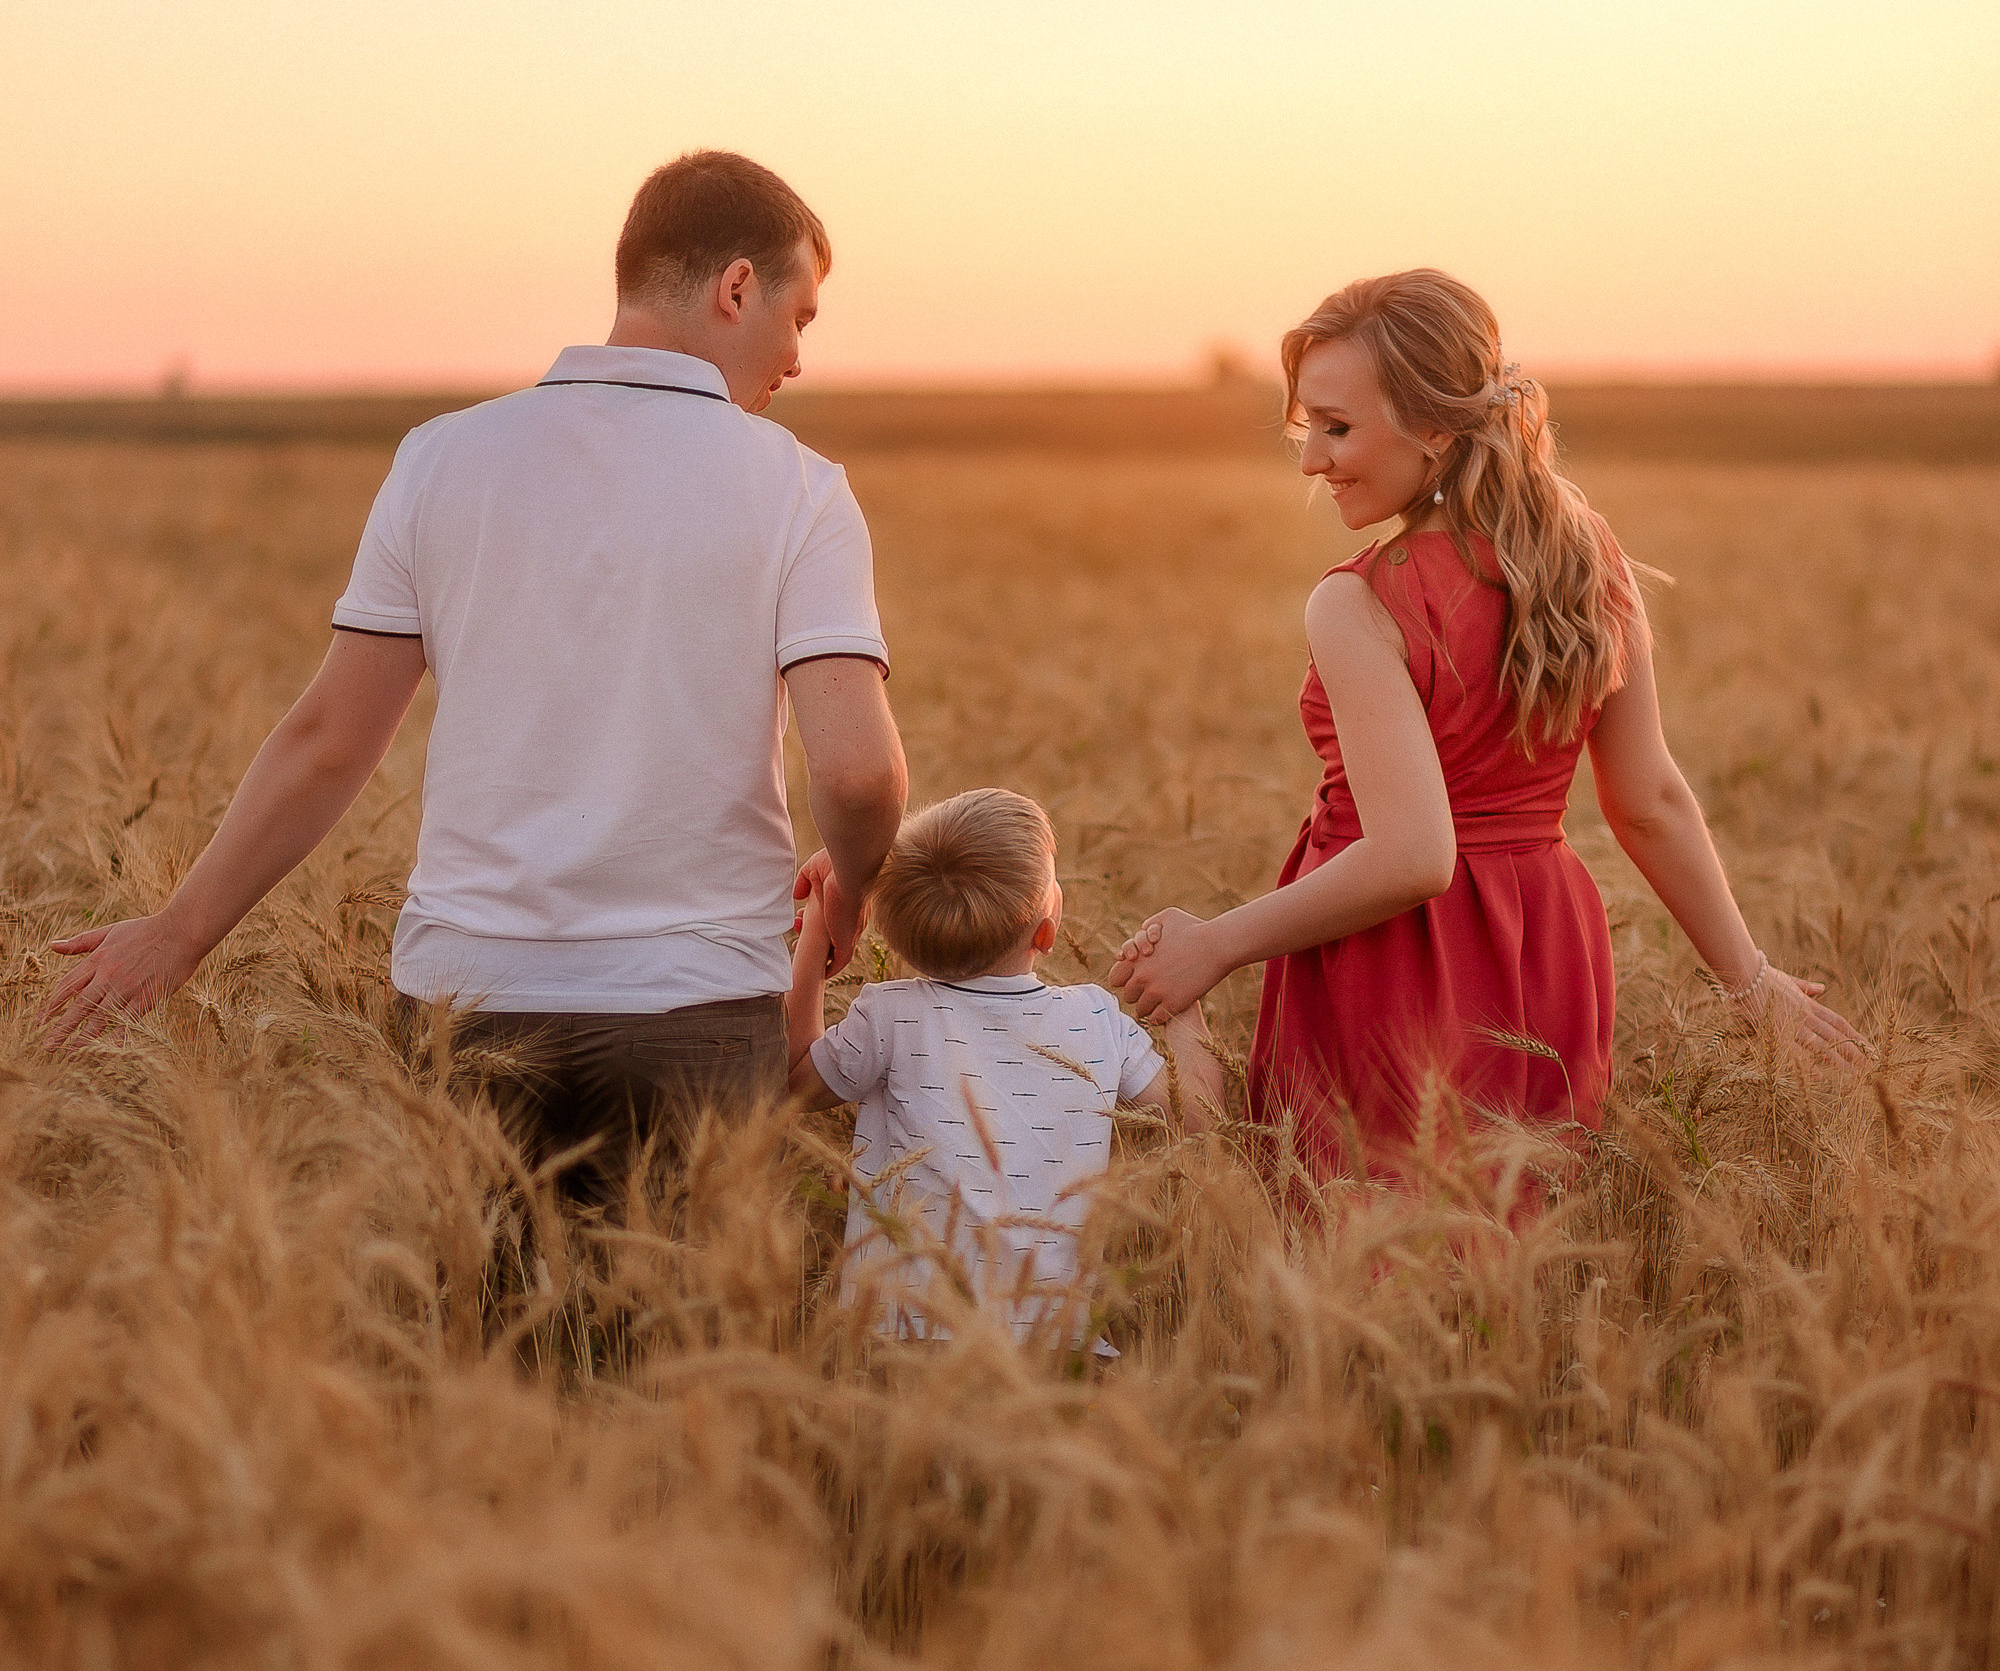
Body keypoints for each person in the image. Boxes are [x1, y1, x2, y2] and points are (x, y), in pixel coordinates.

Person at [41, 149, 909, 1199]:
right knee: (674, 1309)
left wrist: (176, 936)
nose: (798, 359)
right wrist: (851, 888)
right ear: (736, 287)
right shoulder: (801, 490)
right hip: (696, 1009)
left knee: (472, 1300)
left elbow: (329, 741)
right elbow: (858, 773)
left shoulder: (440, 458)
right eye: (799, 316)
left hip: (468, 1006)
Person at [1113, 267, 1861, 1176]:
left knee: (1366, 1235)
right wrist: (1751, 978)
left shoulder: (1357, 604)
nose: (1311, 461)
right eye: (1307, 429)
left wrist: (1214, 946)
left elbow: (1413, 856)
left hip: (1392, 960)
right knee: (1518, 1234)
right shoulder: (1585, 557)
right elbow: (1649, 799)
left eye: (1337, 428)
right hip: (1543, 952)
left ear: (1435, 426)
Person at [789, 787, 1222, 1334]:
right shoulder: (1094, 1018)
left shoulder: (889, 1016)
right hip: (1049, 1331)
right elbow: (1201, 1118)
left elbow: (794, 1082)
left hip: (905, 1322)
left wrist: (818, 930)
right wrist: (1182, 994)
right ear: (1047, 930)